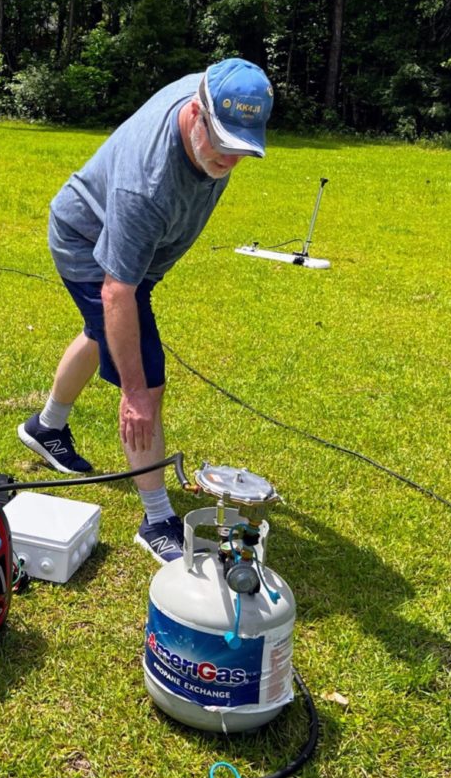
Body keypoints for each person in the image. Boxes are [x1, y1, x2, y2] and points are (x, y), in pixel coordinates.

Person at [16, 58, 274, 562]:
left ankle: (46, 426)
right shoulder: (147, 185)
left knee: (101, 333)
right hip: (89, 245)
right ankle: (156, 519)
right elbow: (117, 290)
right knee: (146, 380)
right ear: (196, 113)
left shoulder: (213, 93)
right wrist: (133, 391)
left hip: (135, 256)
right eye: (221, 143)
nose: (229, 158)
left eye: (241, 148)